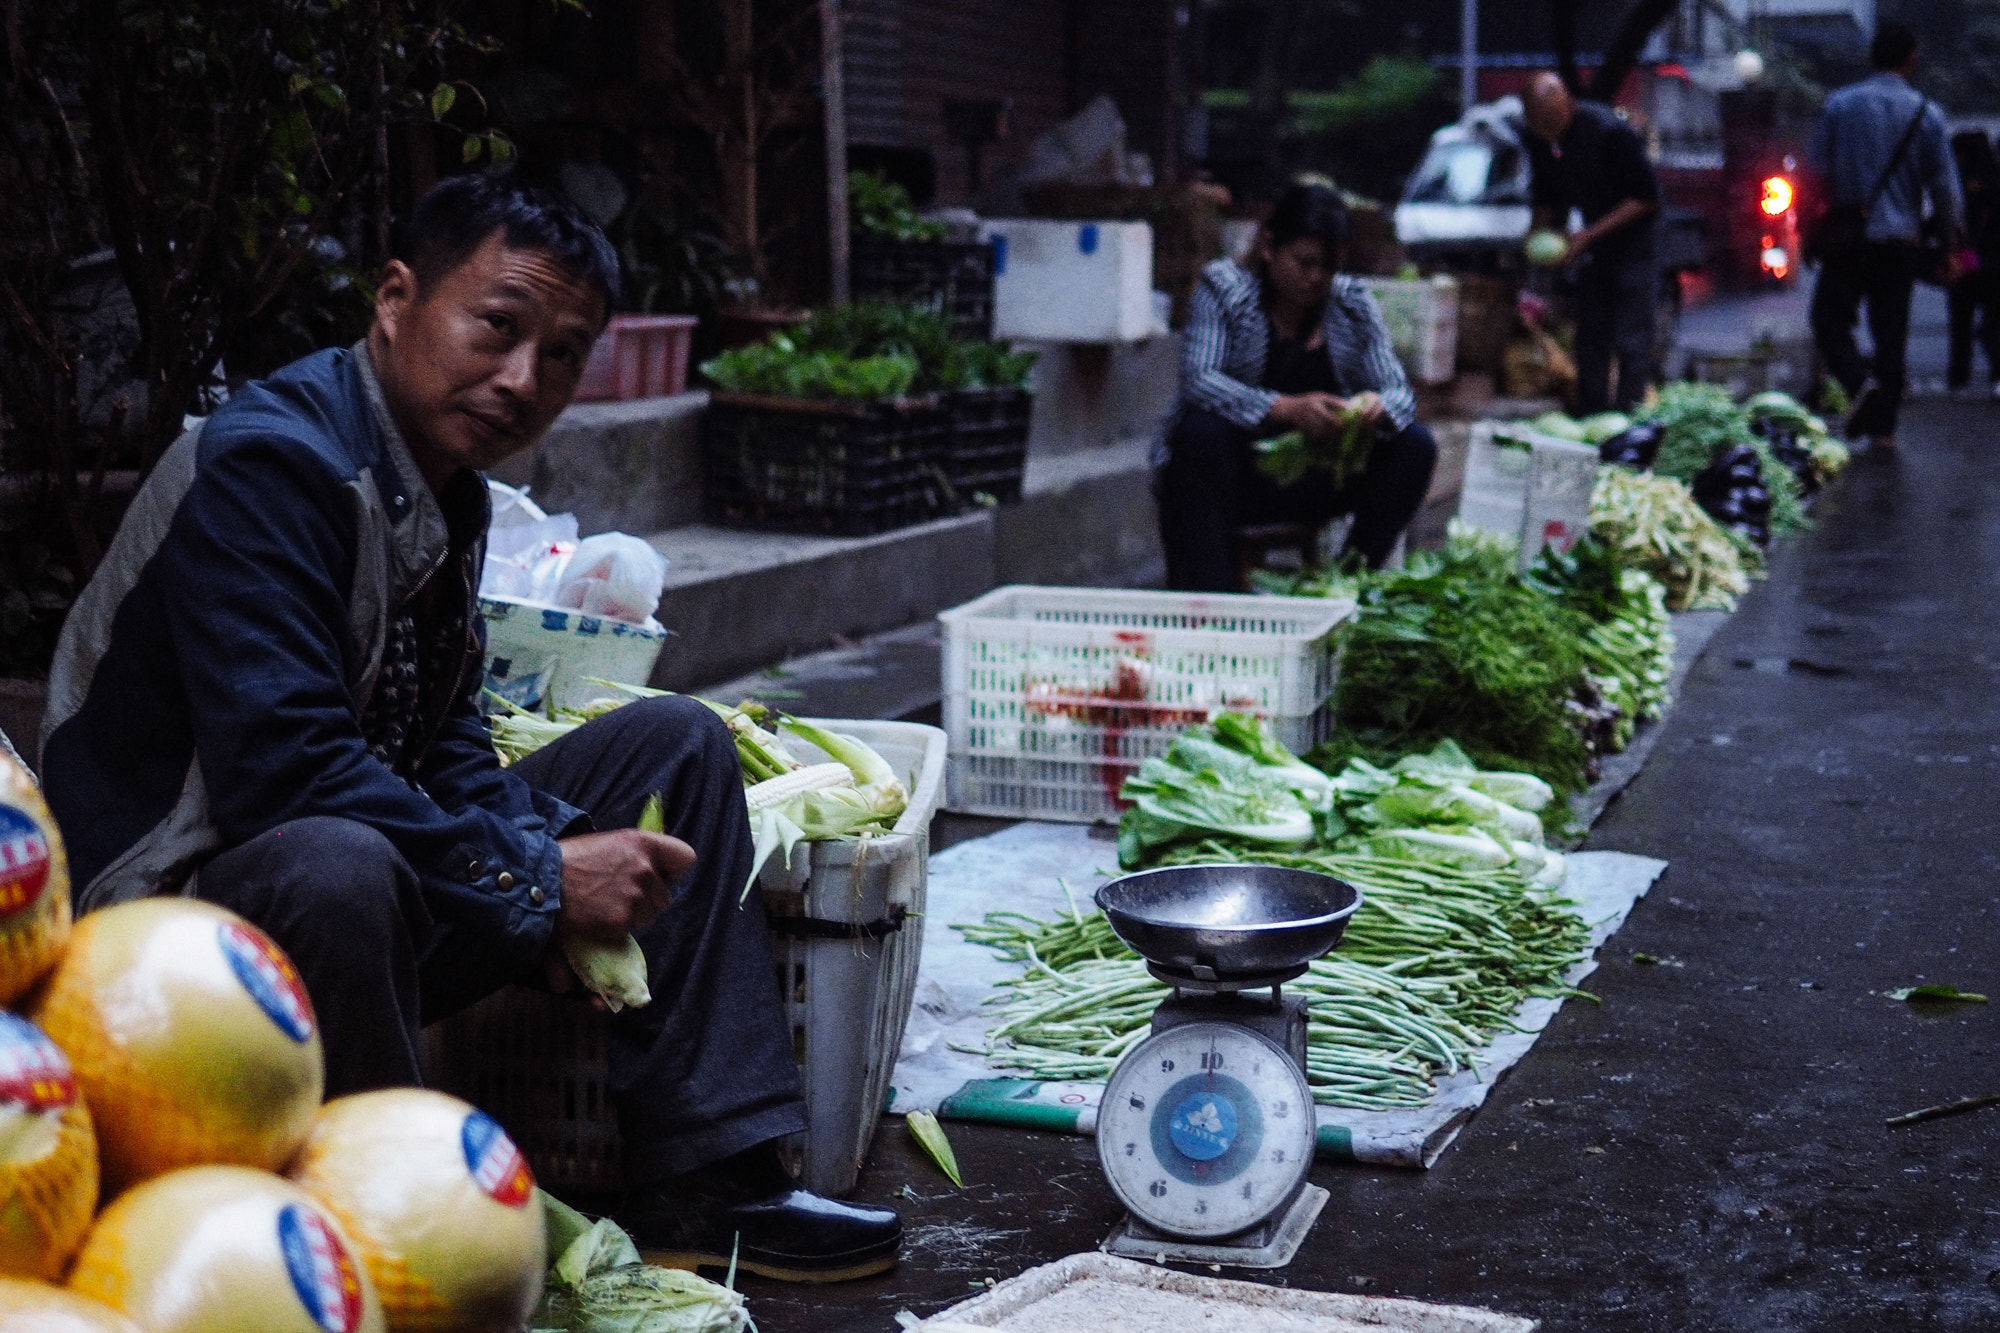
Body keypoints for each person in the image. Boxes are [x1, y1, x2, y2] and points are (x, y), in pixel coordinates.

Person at [36, 174, 899, 1283]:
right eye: (497, 327)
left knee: (676, 746)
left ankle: (710, 1182)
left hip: (342, 869)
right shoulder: (270, 466)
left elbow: (441, 746)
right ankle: (384, 1232)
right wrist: (535, 876)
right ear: (395, 299)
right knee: (333, 859)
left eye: (560, 354)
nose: (520, 378)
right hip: (166, 928)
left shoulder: (445, 488)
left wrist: (530, 869)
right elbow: (282, 778)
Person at [1158, 183, 1439, 589]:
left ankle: (1346, 583)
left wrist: (1376, 407)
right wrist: (1286, 409)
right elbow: (1199, 381)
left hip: (1314, 479)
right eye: (1304, 262)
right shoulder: (1225, 290)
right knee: (1199, 432)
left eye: (1328, 267)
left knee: (1415, 446)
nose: (1315, 278)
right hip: (1232, 480)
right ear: (1270, 247)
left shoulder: (1352, 304)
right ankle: (1214, 603)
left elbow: (1399, 392)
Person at [1807, 21, 1965, 449]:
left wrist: (1809, 231)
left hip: (1848, 240)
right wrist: (1950, 247)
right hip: (1901, 243)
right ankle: (1884, 432)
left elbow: (1814, 174)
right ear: (1910, 58)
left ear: (1872, 56)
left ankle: (1860, 384)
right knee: (1891, 333)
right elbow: (1944, 189)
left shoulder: (1840, 105)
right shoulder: (1926, 114)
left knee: (1828, 321)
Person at [1522, 72, 1662, 414]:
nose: (1548, 131)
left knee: (1631, 339)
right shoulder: (1542, 141)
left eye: (1553, 121)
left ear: (1568, 103)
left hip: (1634, 242)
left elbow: (1645, 199)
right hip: (1594, 247)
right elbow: (1547, 200)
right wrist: (1538, 239)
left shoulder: (1609, 133)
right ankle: (1592, 413)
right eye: (1541, 125)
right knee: (1590, 335)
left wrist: (1588, 236)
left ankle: (1631, 418)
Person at [1946, 130, 2000, 396]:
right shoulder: (1993, 179)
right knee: (1993, 321)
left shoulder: (1960, 182)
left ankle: (1958, 376)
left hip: (1968, 259)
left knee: (1961, 322)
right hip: (1994, 262)